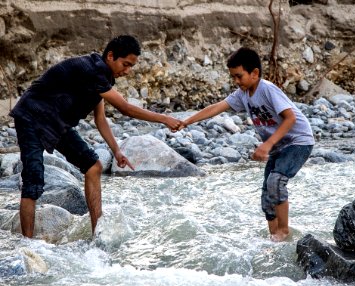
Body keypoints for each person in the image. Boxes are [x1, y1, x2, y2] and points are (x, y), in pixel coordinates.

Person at [10, 35, 183, 238]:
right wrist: (164, 119)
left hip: (56, 123)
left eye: (131, 66)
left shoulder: (102, 78)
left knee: (94, 166)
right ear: (110, 56)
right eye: (125, 64)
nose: (127, 71)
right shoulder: (92, 69)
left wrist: (116, 151)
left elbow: (100, 119)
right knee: (33, 179)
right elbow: (125, 108)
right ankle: (28, 243)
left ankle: (97, 234)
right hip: (31, 116)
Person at [179, 47, 314, 242]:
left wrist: (267, 145)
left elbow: (290, 118)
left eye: (239, 76)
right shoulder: (242, 94)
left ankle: (284, 232)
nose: (236, 81)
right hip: (278, 146)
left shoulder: (267, 89)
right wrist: (187, 121)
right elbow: (217, 107)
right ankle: (274, 238)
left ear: (255, 73)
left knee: (276, 181)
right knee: (267, 196)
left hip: (298, 141)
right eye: (233, 77)